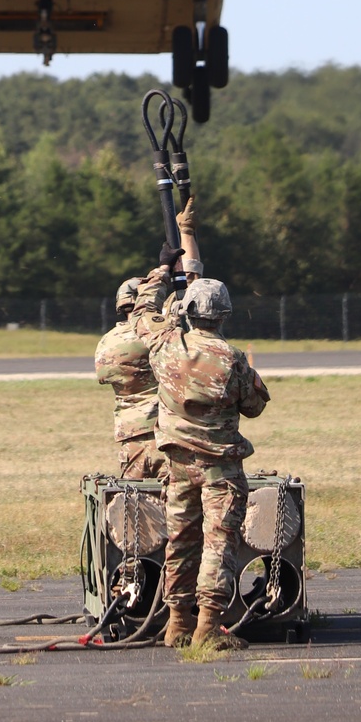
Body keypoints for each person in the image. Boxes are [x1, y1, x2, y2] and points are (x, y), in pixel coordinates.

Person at [131, 260, 270, 650]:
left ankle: (177, 623)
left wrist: (160, 273)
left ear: (188, 312)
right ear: (224, 315)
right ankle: (207, 628)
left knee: (181, 540)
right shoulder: (231, 358)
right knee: (219, 543)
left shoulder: (165, 344)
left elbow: (142, 313)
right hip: (220, 471)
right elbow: (255, 406)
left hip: (178, 466)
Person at [95, 277, 165, 480]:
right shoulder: (156, 336)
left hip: (130, 436)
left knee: (136, 504)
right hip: (163, 433)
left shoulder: (107, 341)